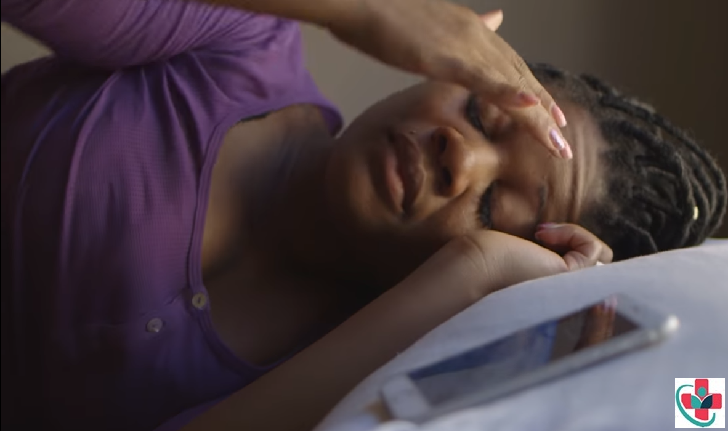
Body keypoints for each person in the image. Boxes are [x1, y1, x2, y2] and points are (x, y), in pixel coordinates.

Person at [1, 0, 725, 430]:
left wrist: (474, 272)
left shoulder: (355, 381)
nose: (460, 155)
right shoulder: (244, 42)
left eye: (492, 207)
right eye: (480, 112)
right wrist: (359, 8)